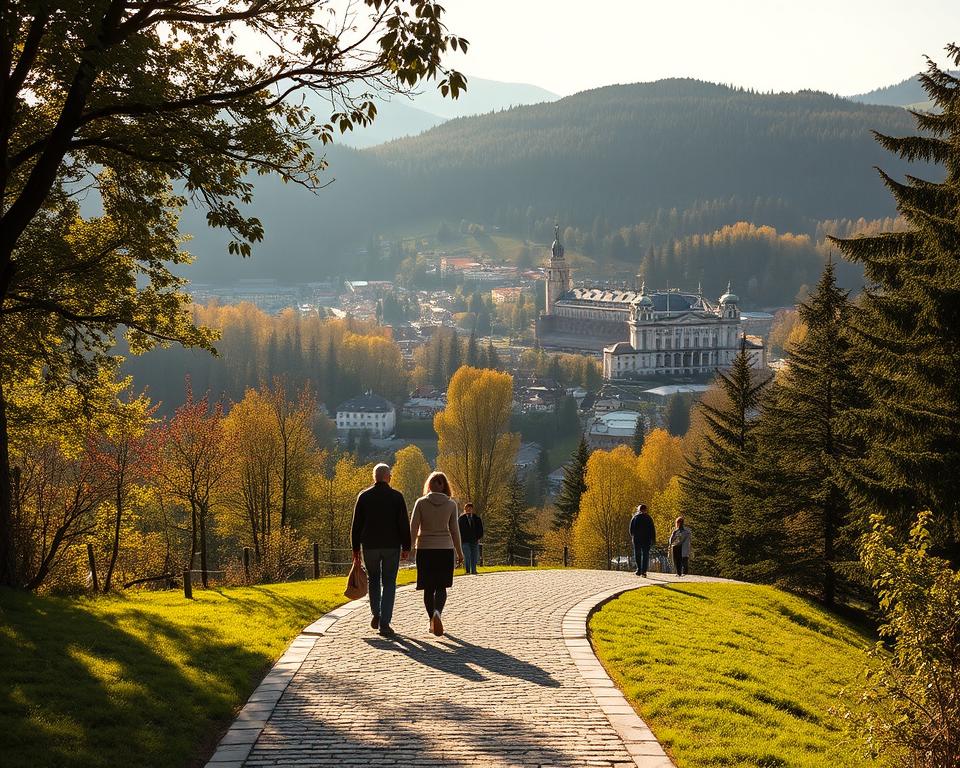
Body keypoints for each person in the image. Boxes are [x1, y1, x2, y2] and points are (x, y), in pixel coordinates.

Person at [351, 463, 410, 638]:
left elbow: (356, 525)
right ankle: (385, 622)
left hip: (370, 546)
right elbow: (403, 524)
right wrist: (406, 546)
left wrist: (355, 549)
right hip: (391, 545)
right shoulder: (397, 497)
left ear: (374, 477)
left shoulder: (364, 496)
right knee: (390, 582)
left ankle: (376, 612)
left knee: (374, 579)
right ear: (388, 477)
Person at [409, 471, 463, 637]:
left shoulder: (421, 503)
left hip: (425, 548)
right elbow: (455, 530)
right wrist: (459, 552)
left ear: (429, 485)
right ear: (445, 486)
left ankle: (431, 618)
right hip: (445, 549)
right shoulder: (451, 505)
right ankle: (438, 612)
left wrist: (410, 547)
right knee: (441, 586)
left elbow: (413, 527)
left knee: (428, 587)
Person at [629, 503, 656, 577]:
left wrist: (633, 536)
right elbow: (652, 529)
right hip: (647, 539)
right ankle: (644, 571)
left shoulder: (635, 517)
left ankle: (638, 569)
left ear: (639, 510)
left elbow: (631, 529)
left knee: (637, 554)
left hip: (637, 539)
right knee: (645, 554)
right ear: (645, 510)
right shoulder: (649, 518)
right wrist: (653, 539)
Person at [458, 502, 483, 575]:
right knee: (467, 555)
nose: (468, 509)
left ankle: (474, 570)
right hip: (465, 541)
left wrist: (478, 537)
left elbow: (480, 529)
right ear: (465, 509)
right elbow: (458, 530)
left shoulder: (476, 518)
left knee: (474, 556)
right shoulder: (461, 519)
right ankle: (467, 571)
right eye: (467, 508)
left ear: (472, 509)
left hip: (474, 540)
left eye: (470, 508)